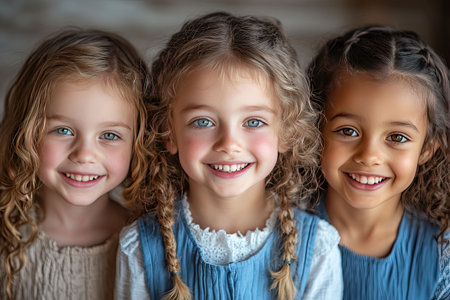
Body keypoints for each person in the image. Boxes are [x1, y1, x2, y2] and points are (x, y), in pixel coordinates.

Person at [115, 11, 343, 300]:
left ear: (286, 131)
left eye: (254, 122)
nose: (229, 143)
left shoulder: (317, 247)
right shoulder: (138, 247)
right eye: (203, 121)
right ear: (168, 131)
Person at [0, 28, 149, 299]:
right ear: (27, 130)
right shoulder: (6, 234)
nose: (84, 154)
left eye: (110, 135)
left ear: (138, 142)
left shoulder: (146, 243)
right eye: (63, 130)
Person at [308, 25, 450, 299]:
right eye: (348, 131)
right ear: (316, 130)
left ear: (427, 149)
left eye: (397, 137)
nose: (369, 156)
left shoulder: (441, 256)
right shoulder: (282, 232)